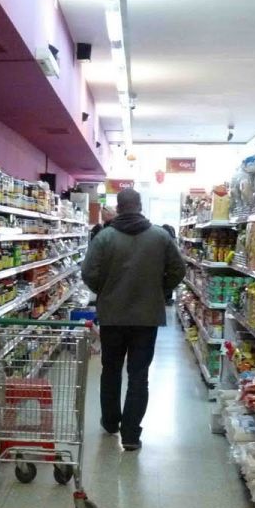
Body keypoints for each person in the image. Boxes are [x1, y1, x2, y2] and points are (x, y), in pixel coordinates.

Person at [81, 188, 185, 451]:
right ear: (140, 206)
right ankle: (130, 435)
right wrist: (161, 291)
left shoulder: (104, 237)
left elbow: (88, 273)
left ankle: (110, 422)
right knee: (139, 375)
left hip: (112, 316)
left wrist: (105, 291)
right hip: (146, 317)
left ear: (118, 208)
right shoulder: (160, 237)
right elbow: (178, 269)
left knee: (111, 370)